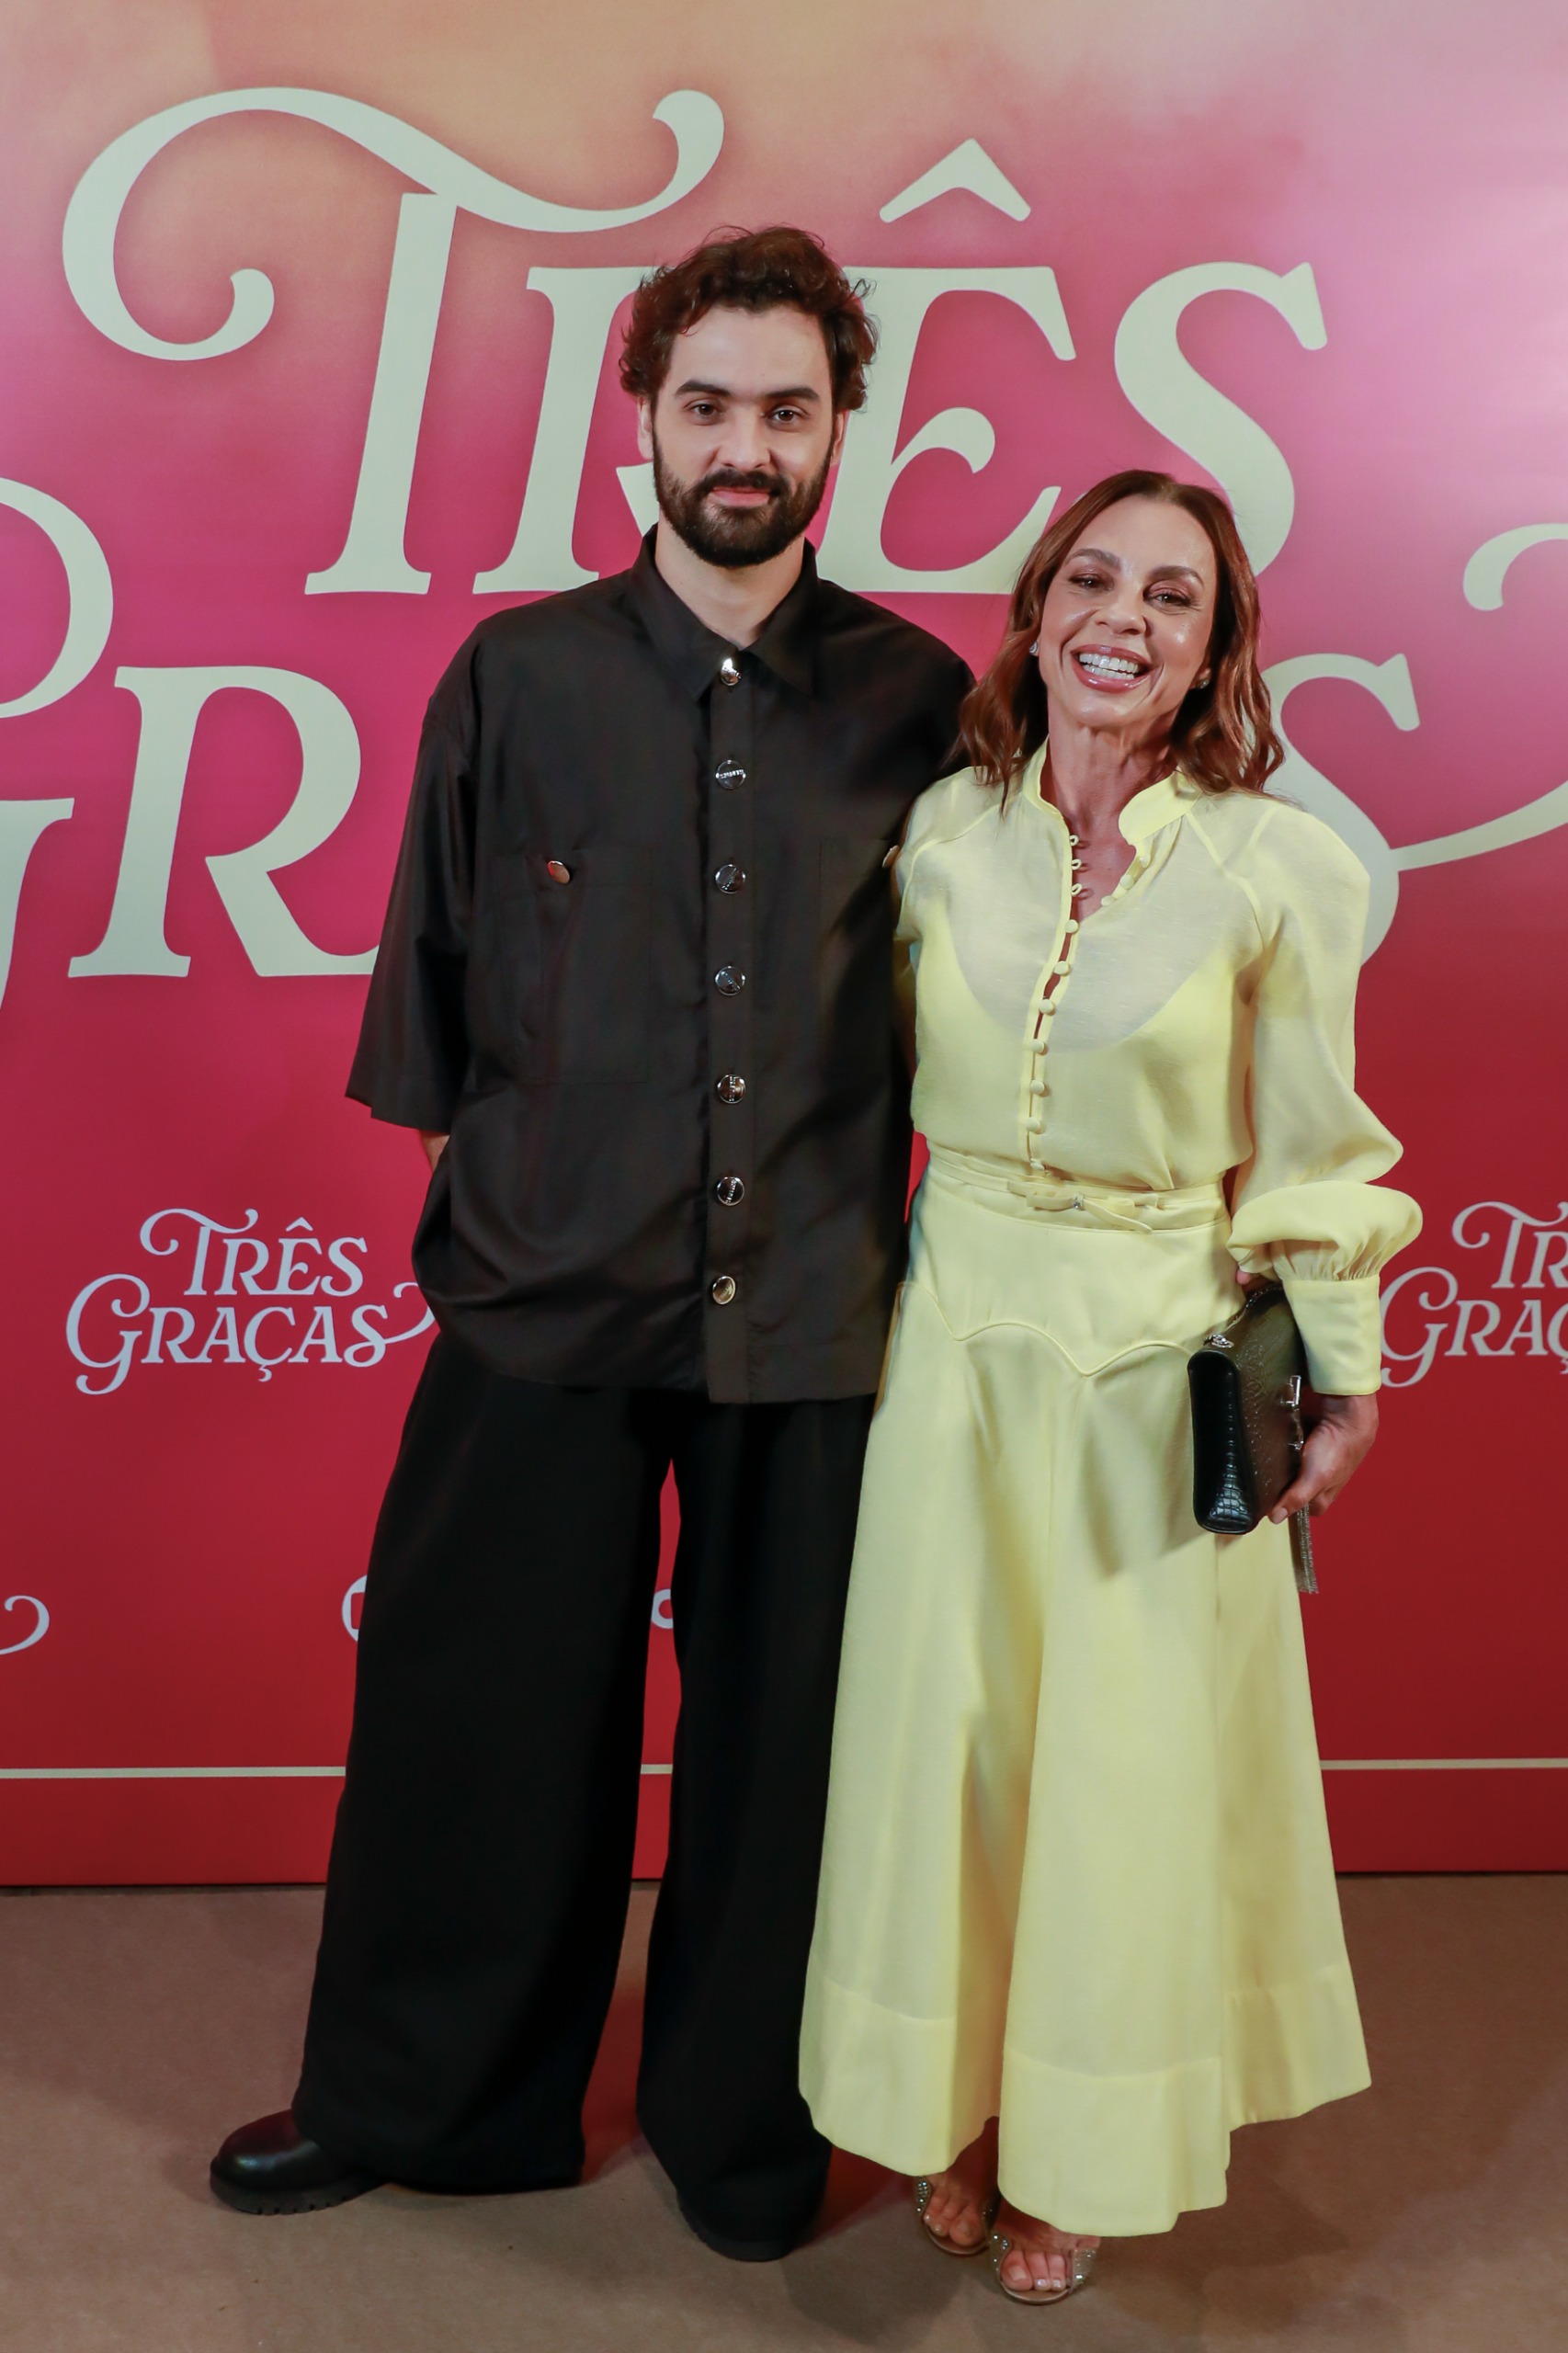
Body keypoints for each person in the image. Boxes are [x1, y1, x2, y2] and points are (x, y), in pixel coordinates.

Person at [210, 227, 971, 2262]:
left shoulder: (922, 702)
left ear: (840, 426)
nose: (745, 443)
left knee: (785, 1744)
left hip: (813, 1306)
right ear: (642, 413)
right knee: (477, 1712)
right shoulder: (514, 674)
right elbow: (438, 999)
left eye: (787, 406)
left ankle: (754, 2135)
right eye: (707, 401)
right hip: (547, 1286)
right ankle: (426, 2101)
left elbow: (982, 1011)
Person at [800, 471, 1421, 2302]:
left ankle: (1080, 2141)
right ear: (1036, 602)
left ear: (1213, 646)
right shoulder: (938, 835)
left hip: (1157, 1354)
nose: (1122, 619)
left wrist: (1344, 1366)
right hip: (957, 1344)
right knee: (961, 1741)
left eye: (1172, 596)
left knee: (1120, 1776)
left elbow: (1311, 1147)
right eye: (1093, 577)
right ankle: (965, 2109)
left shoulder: (1280, 867)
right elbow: (851, 1083)